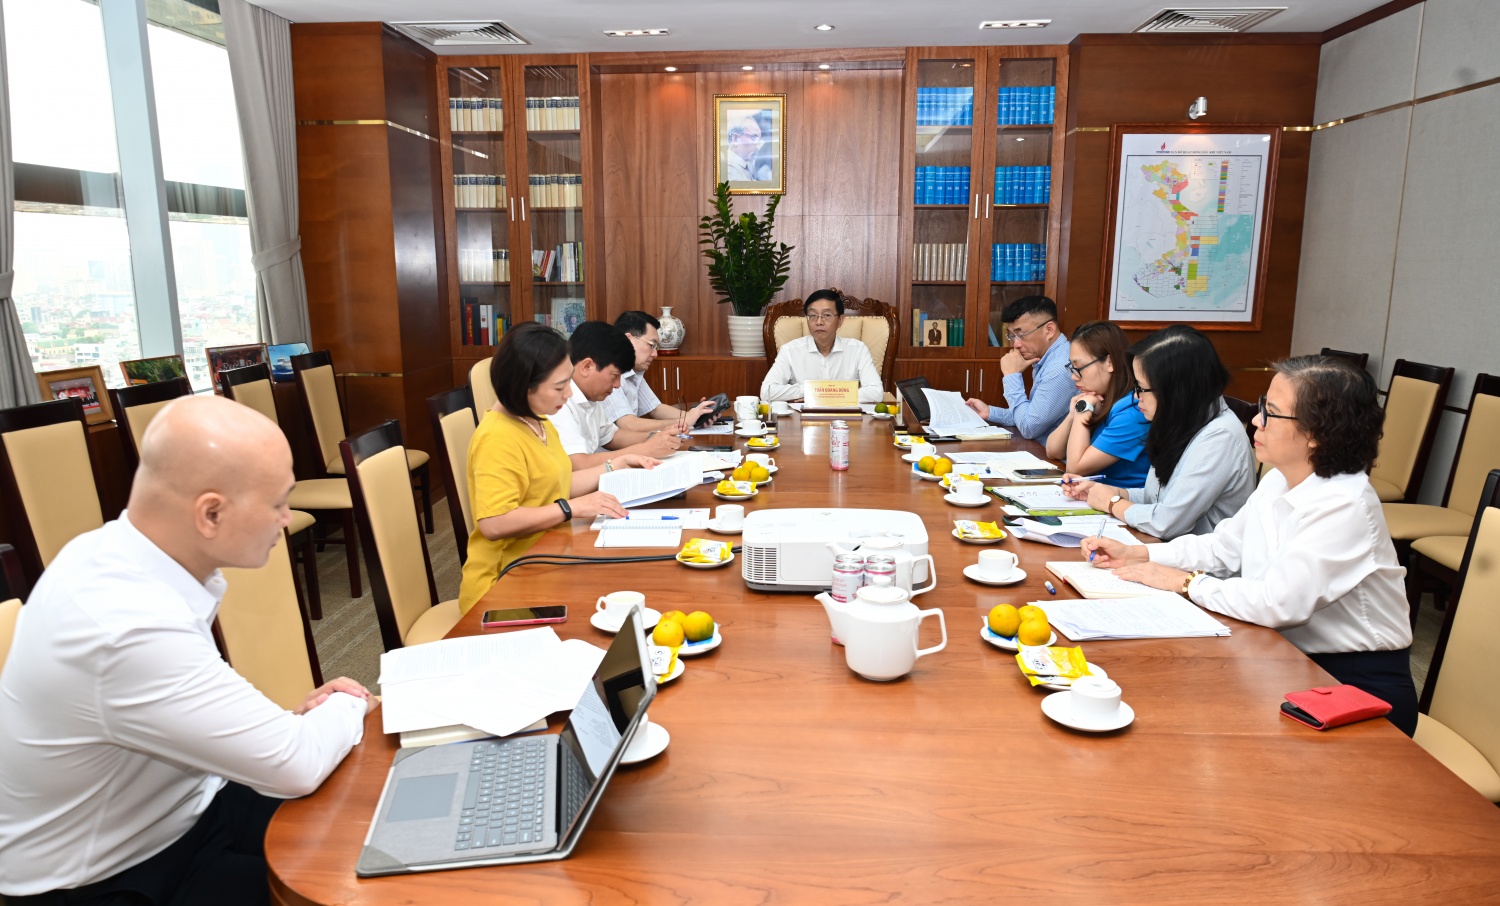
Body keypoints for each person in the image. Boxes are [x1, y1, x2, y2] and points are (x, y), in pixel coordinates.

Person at [0, 395, 376, 904]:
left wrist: (295, 728)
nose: (288, 518)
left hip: (182, 805)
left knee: (373, 828)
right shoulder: (123, 623)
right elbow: (296, 764)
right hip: (107, 875)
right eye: (277, 503)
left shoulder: (115, 551)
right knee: (356, 888)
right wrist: (350, 702)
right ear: (211, 513)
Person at [1082, 357, 1419, 735]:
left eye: (1271, 412)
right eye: (1262, 406)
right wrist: (1140, 554)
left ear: (1316, 433)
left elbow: (1278, 603)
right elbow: (1225, 548)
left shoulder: (1345, 504)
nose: (1257, 420)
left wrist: (1185, 582)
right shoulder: (1281, 478)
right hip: (1288, 657)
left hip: (1354, 687)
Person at [459, 323, 658, 614]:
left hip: (547, 556)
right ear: (524, 384)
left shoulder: (538, 421)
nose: (568, 394)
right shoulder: (497, 437)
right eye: (559, 386)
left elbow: (556, 484)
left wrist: (616, 464)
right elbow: (495, 523)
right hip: (504, 584)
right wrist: (570, 508)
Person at [1062, 325, 1254, 539]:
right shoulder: (1182, 418)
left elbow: (1166, 522)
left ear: (1174, 389)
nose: (1136, 397)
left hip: (1197, 555)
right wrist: (1113, 492)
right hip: (1167, 546)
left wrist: (1112, 502)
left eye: (1142, 388)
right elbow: (1158, 496)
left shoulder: (1219, 437)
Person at [551, 320, 681, 469]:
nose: (617, 385)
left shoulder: (591, 396)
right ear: (587, 366)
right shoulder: (559, 402)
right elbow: (578, 464)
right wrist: (646, 449)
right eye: (614, 375)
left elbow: (612, 436)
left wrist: (656, 437)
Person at [1044, 320, 1150, 488]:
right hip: (1094, 494)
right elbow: (1053, 451)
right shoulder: (1101, 397)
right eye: (1072, 367)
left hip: (1123, 500)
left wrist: (1083, 411)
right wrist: (1073, 414)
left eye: (1079, 367)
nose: (1074, 376)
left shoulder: (1135, 410)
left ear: (1110, 363)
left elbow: (1075, 468)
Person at [964, 295, 1073, 440]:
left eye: (1021, 334)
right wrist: (990, 412)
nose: (1015, 345)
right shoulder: (1047, 358)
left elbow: (1029, 427)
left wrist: (1012, 376)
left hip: (1051, 453)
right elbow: (1030, 416)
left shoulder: (1059, 368)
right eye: (1011, 336)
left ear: (1049, 329)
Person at [603, 310, 719, 434]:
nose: (655, 354)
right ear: (628, 340)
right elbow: (628, 425)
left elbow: (656, 409)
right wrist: (684, 420)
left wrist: (696, 416)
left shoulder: (633, 371)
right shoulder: (608, 372)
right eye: (651, 345)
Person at [760, 289, 884, 404]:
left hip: (845, 417)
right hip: (803, 418)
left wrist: (823, 395)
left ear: (840, 320)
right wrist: (810, 390)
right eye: (813, 315)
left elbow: (876, 392)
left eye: (827, 315)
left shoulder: (858, 349)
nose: (819, 322)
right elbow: (767, 392)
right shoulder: (790, 350)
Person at [725, 116, 769, 182]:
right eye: (754, 137)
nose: (759, 145)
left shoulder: (747, 164)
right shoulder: (730, 171)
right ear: (736, 139)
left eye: (760, 139)